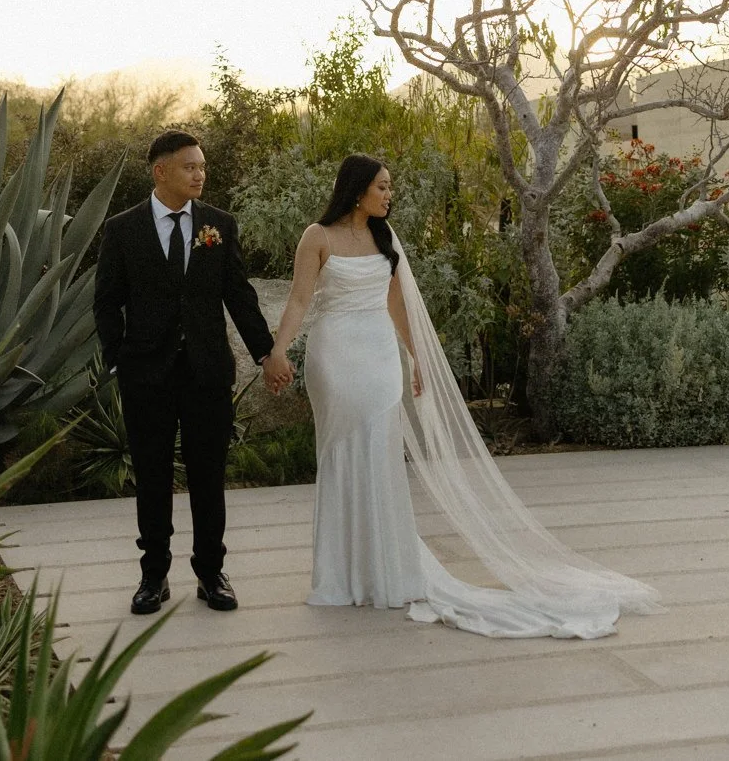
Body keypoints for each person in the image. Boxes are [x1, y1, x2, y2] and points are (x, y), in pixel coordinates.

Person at [263, 153, 662, 639]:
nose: (389, 195)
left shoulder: (385, 239)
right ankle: (340, 576)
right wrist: (278, 353)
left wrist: (416, 356)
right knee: (341, 453)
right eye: (383, 187)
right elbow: (300, 299)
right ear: (357, 189)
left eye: (391, 187)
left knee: (379, 458)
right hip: (335, 358)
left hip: (378, 359)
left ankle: (380, 570)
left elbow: (396, 305)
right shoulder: (317, 236)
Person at [93, 130, 274, 616]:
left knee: (208, 477)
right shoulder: (122, 229)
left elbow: (239, 296)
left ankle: (211, 573)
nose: (200, 174)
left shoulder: (218, 225)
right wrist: (118, 359)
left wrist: (266, 353)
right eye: (190, 167)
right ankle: (153, 577)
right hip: (146, 376)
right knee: (152, 477)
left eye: (202, 167)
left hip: (206, 374)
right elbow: (107, 302)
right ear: (161, 171)